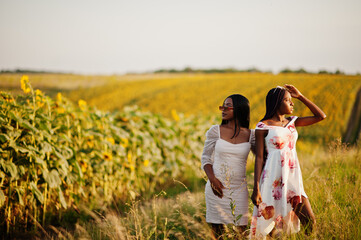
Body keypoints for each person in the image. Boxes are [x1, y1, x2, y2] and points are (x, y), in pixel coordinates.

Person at [250, 84, 326, 238]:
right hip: (273, 181)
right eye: (287, 100)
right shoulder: (262, 126)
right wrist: (256, 188)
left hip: (292, 180)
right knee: (272, 227)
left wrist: (300, 96)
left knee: (310, 222)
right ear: (277, 103)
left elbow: (320, 116)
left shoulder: (292, 122)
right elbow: (258, 158)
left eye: (292, 100)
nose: (292, 103)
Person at [201, 94, 255, 239]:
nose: (223, 109)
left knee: (241, 233)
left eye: (228, 106)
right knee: (218, 233)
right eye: (222, 106)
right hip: (216, 188)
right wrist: (212, 179)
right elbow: (206, 158)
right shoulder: (215, 131)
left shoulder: (252, 135)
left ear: (240, 109)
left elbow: (264, 158)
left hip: (240, 190)